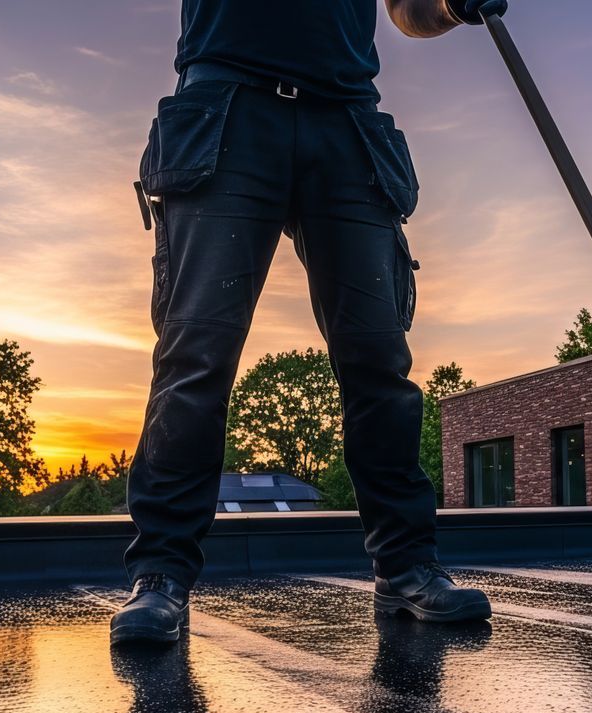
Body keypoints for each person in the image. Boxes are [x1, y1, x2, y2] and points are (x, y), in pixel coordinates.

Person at [112, 0, 506, 645]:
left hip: (347, 121)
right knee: (197, 355)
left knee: (379, 361)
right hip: (224, 109)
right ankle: (160, 577)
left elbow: (409, 13)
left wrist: (451, 7)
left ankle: (407, 567)